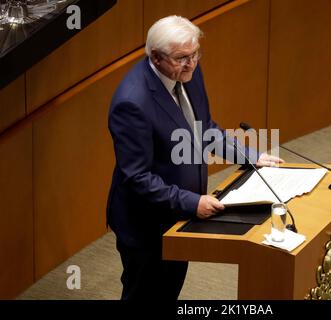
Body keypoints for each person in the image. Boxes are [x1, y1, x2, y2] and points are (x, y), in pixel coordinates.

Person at [107, 15, 283, 301]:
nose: (191, 63)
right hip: (147, 224)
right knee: (145, 293)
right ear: (156, 57)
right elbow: (137, 177)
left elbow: (205, 129)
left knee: (169, 289)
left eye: (195, 54)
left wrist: (251, 156)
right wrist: (192, 201)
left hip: (180, 216)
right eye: (182, 58)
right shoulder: (132, 102)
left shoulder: (187, 72)